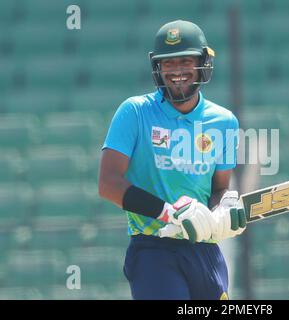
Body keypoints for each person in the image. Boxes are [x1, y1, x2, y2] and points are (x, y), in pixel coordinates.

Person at [98, 20, 247, 300]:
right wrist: (169, 213)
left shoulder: (224, 121)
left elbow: (219, 189)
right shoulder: (135, 112)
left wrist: (224, 207)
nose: (177, 70)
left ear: (203, 64)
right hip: (154, 249)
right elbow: (108, 184)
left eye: (186, 61)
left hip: (204, 247)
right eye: (168, 63)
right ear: (157, 67)